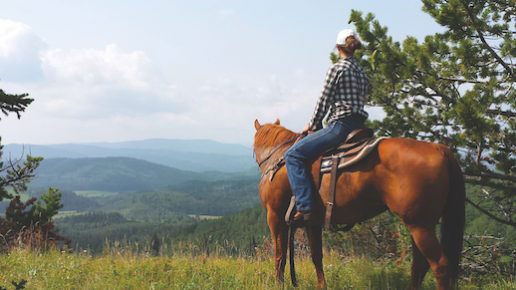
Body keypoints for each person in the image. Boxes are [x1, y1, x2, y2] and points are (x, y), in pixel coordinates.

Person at [285, 29, 371, 222]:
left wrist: (313, 124)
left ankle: (306, 206)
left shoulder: (337, 68)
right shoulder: (362, 72)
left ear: (338, 47)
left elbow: (324, 100)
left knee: (293, 155)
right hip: (360, 126)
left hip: (341, 125)